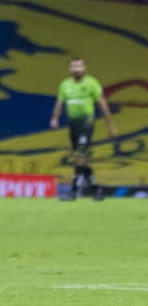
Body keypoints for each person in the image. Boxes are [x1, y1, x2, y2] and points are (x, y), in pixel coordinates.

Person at [50, 56, 118, 200]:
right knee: (82, 159)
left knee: (79, 155)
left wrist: (110, 125)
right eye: (74, 66)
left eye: (79, 66)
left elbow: (103, 104)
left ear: (84, 68)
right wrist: (55, 118)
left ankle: (74, 191)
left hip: (86, 125)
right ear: (70, 69)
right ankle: (97, 190)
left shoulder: (92, 83)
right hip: (73, 126)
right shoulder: (65, 85)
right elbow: (59, 103)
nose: (77, 69)